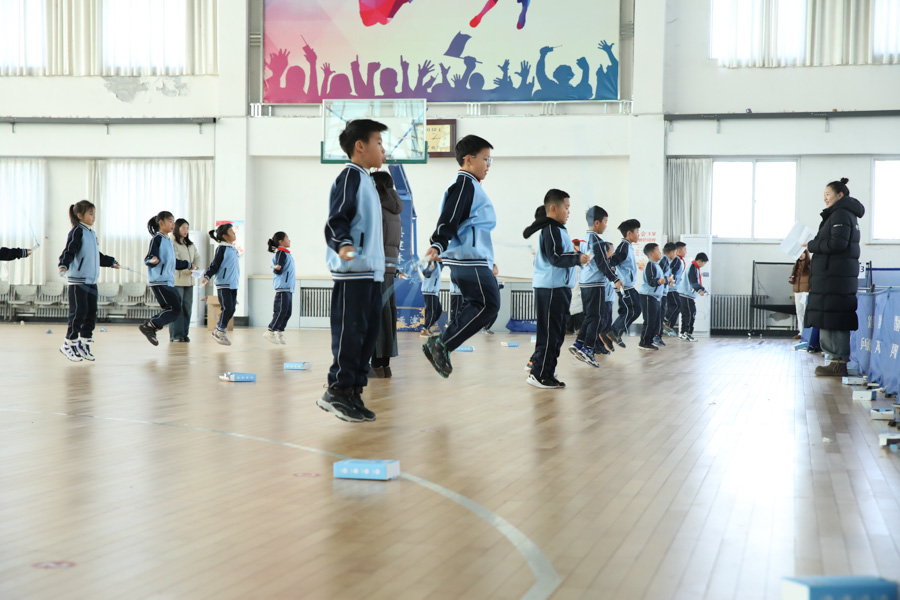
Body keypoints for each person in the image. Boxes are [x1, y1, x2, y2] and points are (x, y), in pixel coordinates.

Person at [318, 119, 387, 423]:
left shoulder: (368, 180)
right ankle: (337, 390)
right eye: (378, 142)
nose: (383, 149)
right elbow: (337, 218)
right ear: (360, 146)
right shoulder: (349, 177)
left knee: (368, 336)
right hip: (352, 273)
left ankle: (354, 392)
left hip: (371, 273)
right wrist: (343, 244)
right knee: (350, 334)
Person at [422, 134, 500, 378]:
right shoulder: (465, 184)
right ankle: (442, 344)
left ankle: (442, 344)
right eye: (485, 159)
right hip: (468, 258)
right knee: (488, 304)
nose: (488, 165)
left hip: (473, 258)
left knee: (480, 304)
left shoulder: (472, 185)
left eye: (490, 160)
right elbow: (450, 216)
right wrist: (437, 243)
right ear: (468, 159)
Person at [523, 190, 590, 389]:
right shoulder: (551, 229)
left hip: (559, 287)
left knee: (558, 333)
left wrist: (575, 257)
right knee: (550, 333)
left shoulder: (558, 229)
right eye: (566, 207)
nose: (569, 212)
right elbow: (555, 257)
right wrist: (577, 258)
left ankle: (548, 371)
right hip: (550, 288)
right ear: (553, 208)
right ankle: (539, 374)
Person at [804, 178, 865, 377]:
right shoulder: (842, 213)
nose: (825, 198)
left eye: (828, 194)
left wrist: (812, 245)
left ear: (840, 195)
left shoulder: (841, 214)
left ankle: (838, 362)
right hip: (834, 277)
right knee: (830, 317)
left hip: (835, 278)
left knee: (835, 318)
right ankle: (834, 360)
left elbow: (837, 244)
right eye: (824, 195)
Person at [57, 200, 119, 361]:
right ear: (80, 216)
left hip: (91, 280)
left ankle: (83, 343)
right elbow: (69, 250)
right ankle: (68, 343)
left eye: (94, 214)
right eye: (90, 214)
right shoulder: (77, 232)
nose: (94, 217)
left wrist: (111, 262)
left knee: (91, 312)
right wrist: (63, 264)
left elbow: (95, 256)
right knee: (79, 312)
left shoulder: (91, 233)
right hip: (78, 280)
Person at [571, 206, 621, 367]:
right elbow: (602, 263)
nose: (606, 226)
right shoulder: (598, 241)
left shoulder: (584, 239)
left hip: (585, 283)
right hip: (595, 283)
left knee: (590, 316)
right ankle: (588, 349)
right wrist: (615, 279)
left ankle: (579, 343)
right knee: (596, 317)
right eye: (605, 222)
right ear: (597, 222)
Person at [139, 211, 191, 347]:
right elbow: (148, 258)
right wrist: (152, 260)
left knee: (175, 309)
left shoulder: (169, 241)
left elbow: (174, 263)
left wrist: (188, 265)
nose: (173, 224)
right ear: (161, 223)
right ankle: (150, 326)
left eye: (173, 221)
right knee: (174, 308)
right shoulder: (157, 239)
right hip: (159, 281)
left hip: (168, 281)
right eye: (170, 221)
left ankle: (151, 327)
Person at [371, 170, 403, 379]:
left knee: (375, 318)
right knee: (387, 317)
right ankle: (384, 365)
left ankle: (375, 364)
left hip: (375, 270)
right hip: (389, 269)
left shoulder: (376, 209)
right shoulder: (394, 210)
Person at [201, 223, 241, 346]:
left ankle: (219, 330)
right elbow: (214, 265)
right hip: (224, 284)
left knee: (232, 309)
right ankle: (219, 331)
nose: (234, 233)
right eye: (231, 231)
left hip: (233, 284)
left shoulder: (233, 249)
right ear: (225, 236)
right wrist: (207, 276)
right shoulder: (221, 249)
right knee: (227, 308)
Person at [608, 219, 641, 347]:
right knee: (634, 309)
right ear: (629, 233)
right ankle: (614, 331)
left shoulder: (628, 246)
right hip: (624, 286)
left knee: (630, 310)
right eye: (637, 231)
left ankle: (615, 332)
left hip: (628, 285)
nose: (638, 234)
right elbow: (611, 262)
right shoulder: (624, 247)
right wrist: (615, 278)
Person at [169, 218, 200, 343]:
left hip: (189, 281)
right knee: (178, 308)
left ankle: (184, 334)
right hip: (177, 281)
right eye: (183, 228)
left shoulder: (190, 244)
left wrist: (196, 268)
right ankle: (176, 335)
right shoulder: (172, 242)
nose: (186, 230)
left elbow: (197, 257)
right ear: (177, 228)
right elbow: (174, 261)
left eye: (187, 228)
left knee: (187, 307)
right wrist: (189, 268)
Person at [264, 231, 295, 345]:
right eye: (287, 238)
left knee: (287, 312)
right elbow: (278, 269)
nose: (289, 240)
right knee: (281, 311)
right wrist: (276, 268)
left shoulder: (286, 254)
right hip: (283, 287)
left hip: (288, 288)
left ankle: (279, 331)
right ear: (281, 241)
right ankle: (270, 331)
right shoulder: (281, 253)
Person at [638, 243, 666, 351]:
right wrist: (659, 281)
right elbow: (651, 281)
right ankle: (643, 342)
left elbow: (658, 280)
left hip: (655, 296)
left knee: (654, 321)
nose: (660, 253)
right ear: (651, 254)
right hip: (648, 296)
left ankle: (649, 341)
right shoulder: (650, 265)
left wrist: (666, 281)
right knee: (649, 320)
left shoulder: (656, 265)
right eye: (658, 251)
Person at [677, 252, 709, 342]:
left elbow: (696, 281)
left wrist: (703, 289)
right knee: (691, 313)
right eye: (704, 263)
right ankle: (687, 333)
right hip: (686, 295)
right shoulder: (693, 267)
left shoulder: (694, 267)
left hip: (685, 295)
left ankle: (683, 333)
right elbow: (693, 281)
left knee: (686, 314)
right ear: (700, 261)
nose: (703, 265)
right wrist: (699, 290)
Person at [653, 244, 675, 347]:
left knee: (661, 314)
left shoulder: (666, 261)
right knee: (659, 315)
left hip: (663, 292)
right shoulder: (664, 260)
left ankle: (657, 336)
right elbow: (660, 277)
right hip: (661, 293)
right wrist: (667, 281)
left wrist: (669, 280)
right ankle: (656, 336)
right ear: (671, 253)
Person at [789, 249, 811, 340]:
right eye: (799, 253)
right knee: (799, 311)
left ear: (806, 254)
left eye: (802, 253)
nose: (800, 255)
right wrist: (791, 280)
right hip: (797, 291)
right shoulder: (796, 265)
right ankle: (801, 332)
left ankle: (807, 332)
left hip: (806, 291)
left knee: (806, 311)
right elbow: (793, 278)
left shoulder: (810, 265)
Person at [663, 242, 684, 336]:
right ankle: (665, 321)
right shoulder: (676, 260)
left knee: (674, 307)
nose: (686, 252)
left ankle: (667, 326)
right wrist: (671, 281)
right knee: (677, 305)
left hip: (671, 287)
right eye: (684, 250)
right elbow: (672, 272)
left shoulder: (672, 260)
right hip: (671, 288)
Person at [421, 260, 442, 337]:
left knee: (438, 310)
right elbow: (426, 273)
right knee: (432, 311)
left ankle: (428, 327)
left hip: (434, 291)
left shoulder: (438, 263)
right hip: (430, 291)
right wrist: (430, 269)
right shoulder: (432, 262)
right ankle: (424, 329)